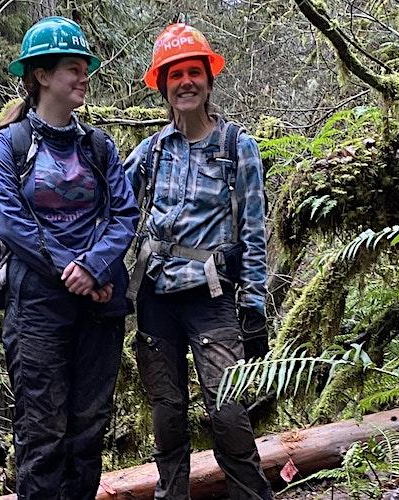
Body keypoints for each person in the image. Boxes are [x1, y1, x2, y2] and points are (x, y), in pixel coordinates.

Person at [0, 16, 138, 500]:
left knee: (88, 432)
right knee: (42, 433)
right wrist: (76, 270)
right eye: (73, 67)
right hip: (36, 310)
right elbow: (13, 226)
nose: (83, 76)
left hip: (98, 304)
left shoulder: (98, 147)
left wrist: (93, 268)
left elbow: (124, 213)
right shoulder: (9, 147)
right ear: (42, 76)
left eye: (84, 67)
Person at [123, 23, 273, 500]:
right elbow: (112, 208)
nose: (185, 82)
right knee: (167, 414)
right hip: (154, 296)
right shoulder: (150, 151)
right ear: (163, 86)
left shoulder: (236, 147)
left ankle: (251, 495)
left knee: (227, 412)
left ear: (209, 81)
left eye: (194, 72)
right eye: (175, 75)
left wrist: (253, 305)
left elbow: (252, 230)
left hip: (211, 297)